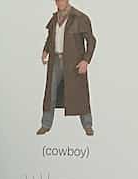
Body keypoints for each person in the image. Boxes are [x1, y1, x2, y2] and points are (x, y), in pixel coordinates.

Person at [38, 0, 96, 137]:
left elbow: (92, 41)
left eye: (62, 0)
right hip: (55, 61)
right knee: (50, 93)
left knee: (80, 94)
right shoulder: (54, 18)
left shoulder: (80, 18)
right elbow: (51, 37)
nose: (59, 3)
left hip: (74, 64)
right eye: (57, 1)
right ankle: (45, 124)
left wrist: (85, 61)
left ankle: (87, 125)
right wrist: (45, 50)